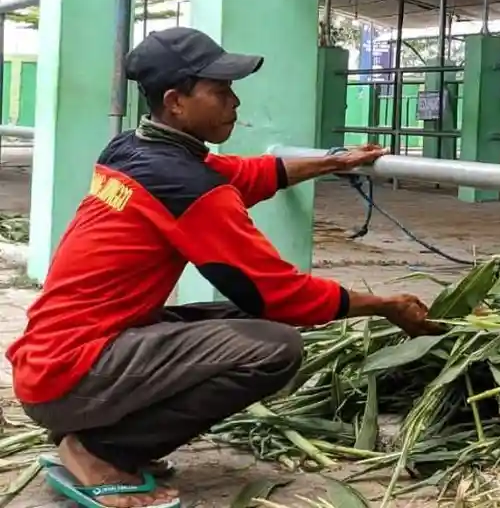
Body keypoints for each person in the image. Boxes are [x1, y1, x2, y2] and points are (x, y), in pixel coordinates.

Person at [5, 27, 443, 508]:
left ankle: (97, 432)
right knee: (274, 347)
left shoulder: (133, 149)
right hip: (70, 374)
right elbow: (278, 294)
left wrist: (333, 162)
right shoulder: (187, 185)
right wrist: (385, 305)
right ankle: (102, 449)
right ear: (176, 102)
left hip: (54, 357)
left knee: (239, 322)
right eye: (220, 91)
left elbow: (247, 174)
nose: (235, 102)